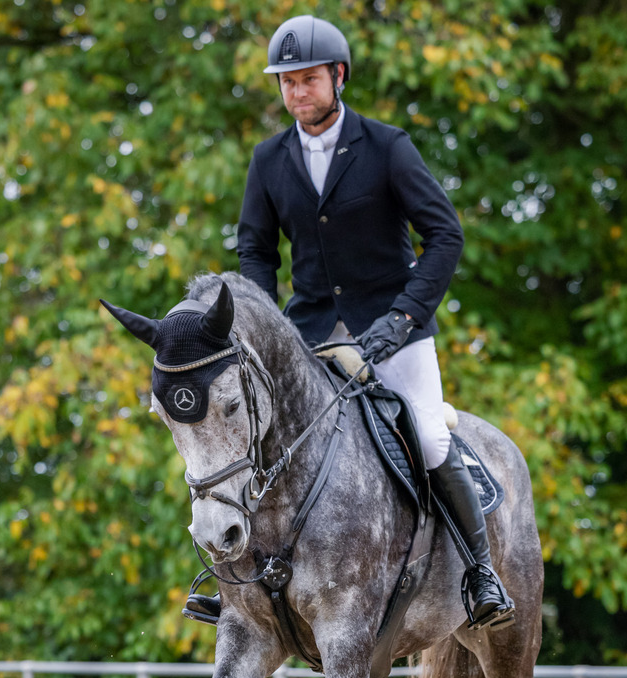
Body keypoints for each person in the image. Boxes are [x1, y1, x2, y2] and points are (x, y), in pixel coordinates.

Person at [185, 14, 514, 631]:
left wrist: (406, 315)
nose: (295, 94)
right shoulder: (269, 159)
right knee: (247, 435)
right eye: (285, 83)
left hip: (394, 327)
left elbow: (445, 236)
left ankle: (479, 571)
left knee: (429, 435)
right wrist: (262, 321)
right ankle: (232, 585)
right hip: (308, 331)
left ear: (338, 76)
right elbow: (255, 249)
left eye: (307, 80)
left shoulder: (388, 147)